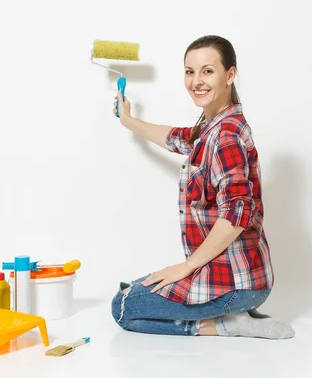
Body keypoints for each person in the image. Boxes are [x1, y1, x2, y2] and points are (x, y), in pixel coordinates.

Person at [110, 35, 294, 339]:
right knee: (134, 291)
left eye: (207, 71)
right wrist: (129, 121)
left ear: (230, 75)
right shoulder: (216, 126)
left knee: (123, 306)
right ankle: (234, 316)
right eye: (189, 71)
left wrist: (185, 268)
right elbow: (178, 137)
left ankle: (224, 324)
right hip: (240, 280)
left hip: (236, 284)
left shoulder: (225, 136)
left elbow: (237, 214)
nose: (197, 81)